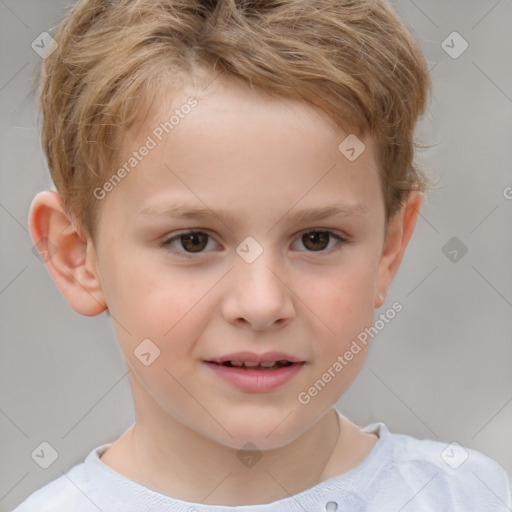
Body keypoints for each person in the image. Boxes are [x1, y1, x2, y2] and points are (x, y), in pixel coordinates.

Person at [15, 0, 510, 510]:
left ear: (389, 248)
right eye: (193, 241)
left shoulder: (467, 497)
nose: (262, 302)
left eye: (317, 239)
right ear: (76, 255)